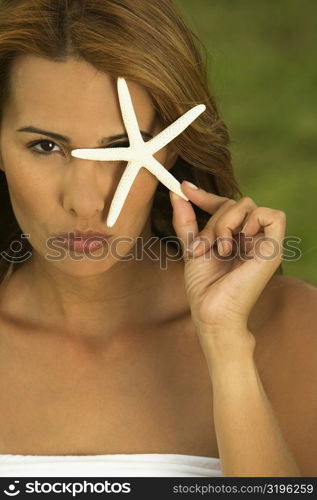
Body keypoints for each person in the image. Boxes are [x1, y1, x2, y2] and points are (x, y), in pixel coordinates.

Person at [0, 0, 316, 478]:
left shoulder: (293, 327)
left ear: (169, 152)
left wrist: (226, 345)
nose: (86, 202)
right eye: (45, 146)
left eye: (123, 148)